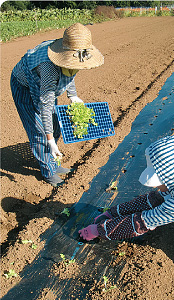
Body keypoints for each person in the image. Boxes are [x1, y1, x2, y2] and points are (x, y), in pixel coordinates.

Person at [79, 134, 174, 299]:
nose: (158, 186)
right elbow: (156, 199)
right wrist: (113, 212)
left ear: (170, 177)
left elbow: (142, 222)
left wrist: (98, 230)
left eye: (159, 181)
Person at [10, 23, 104, 186]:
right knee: (39, 131)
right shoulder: (49, 69)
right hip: (23, 85)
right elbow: (45, 106)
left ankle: (53, 163)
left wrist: (73, 96)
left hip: (45, 84)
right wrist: (50, 140)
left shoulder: (71, 54)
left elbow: (70, 72)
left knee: (56, 124)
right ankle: (48, 172)